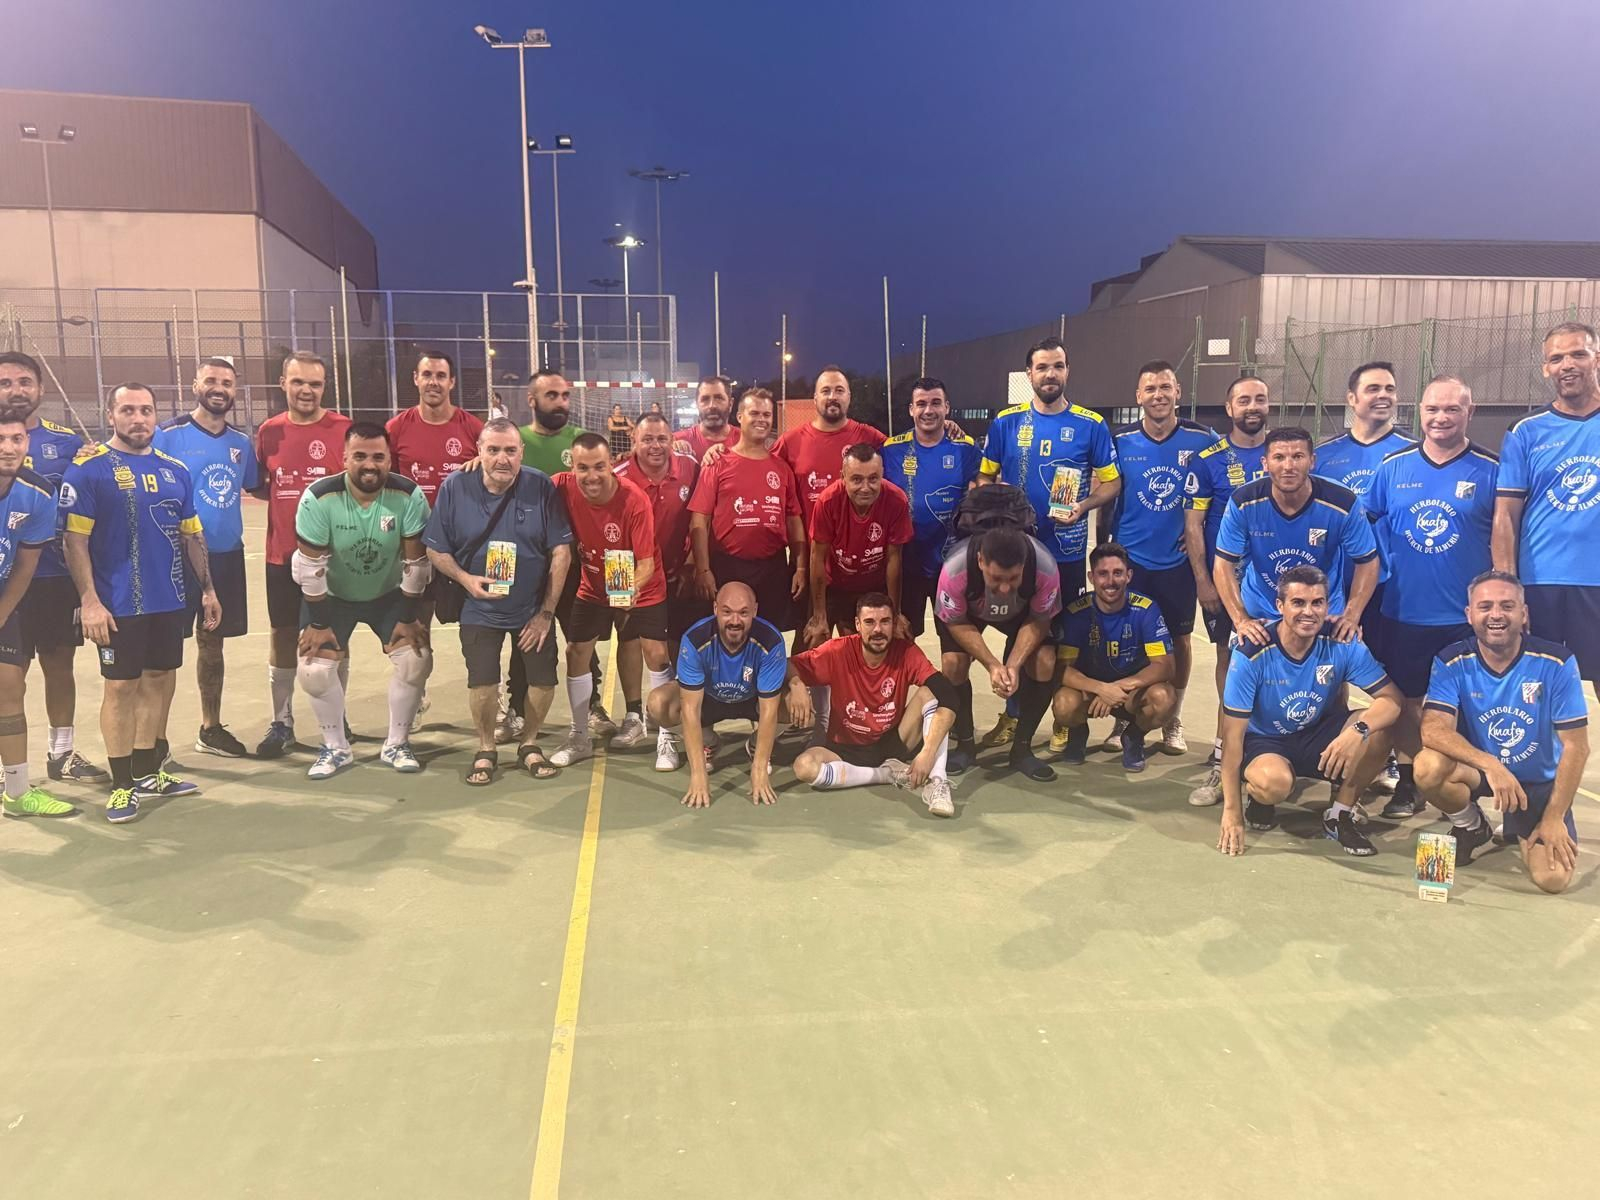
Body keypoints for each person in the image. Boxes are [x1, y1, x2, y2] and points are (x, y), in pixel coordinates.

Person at [62, 383, 219, 823]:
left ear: (156, 416)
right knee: (121, 687)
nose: (138, 419)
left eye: (146, 410)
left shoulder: (175, 470)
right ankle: (122, 784)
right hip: (116, 604)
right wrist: (90, 601)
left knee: (160, 679)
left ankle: (149, 771)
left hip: (169, 600)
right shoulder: (89, 471)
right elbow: (75, 541)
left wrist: (207, 589)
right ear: (111, 415)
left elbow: (192, 534)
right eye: (128, 410)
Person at [1361, 374, 1497, 818]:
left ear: (1469, 413)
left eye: (1452, 409)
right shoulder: (1393, 468)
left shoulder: (1491, 470)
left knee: (1468, 708)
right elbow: (1363, 530)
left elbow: (1508, 536)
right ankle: (1409, 777)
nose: (1441, 418)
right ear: (1418, 412)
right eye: (1432, 409)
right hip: (1402, 611)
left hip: (1465, 619)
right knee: (1405, 702)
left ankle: (1463, 782)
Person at [977, 336, 1119, 748]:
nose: (1050, 374)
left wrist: (1083, 506)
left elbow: (1112, 483)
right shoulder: (1006, 422)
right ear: (1029, 375)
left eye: (1057, 366)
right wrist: (996, 511)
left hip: (1067, 553)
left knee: (1061, 636)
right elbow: (985, 477)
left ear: (1067, 371)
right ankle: (1012, 715)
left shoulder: (1090, 424)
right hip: (1017, 553)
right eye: (1042, 367)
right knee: (1015, 634)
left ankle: (1063, 717)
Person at [1415, 571, 1590, 894]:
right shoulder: (1452, 660)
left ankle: (1521, 828)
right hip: (1485, 775)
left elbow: (1577, 748)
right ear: (1470, 615)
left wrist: (1554, 816)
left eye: (1507, 606)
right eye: (1485, 606)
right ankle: (1472, 826)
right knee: (1428, 766)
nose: (1496, 615)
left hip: (1537, 785)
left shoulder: (1557, 662)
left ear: (1523, 613)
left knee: (1552, 880)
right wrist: (1491, 765)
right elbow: (1433, 731)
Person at [1214, 567, 1404, 858]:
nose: (1309, 612)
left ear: (1328, 606)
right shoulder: (1252, 650)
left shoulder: (1341, 640)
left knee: (1382, 726)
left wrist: (1357, 731)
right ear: (1280, 606)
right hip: (1266, 741)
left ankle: (1339, 814)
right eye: (1298, 603)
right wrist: (1231, 813)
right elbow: (1232, 738)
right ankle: (1261, 799)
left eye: (1317, 603)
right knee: (1272, 784)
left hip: (1316, 734)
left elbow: (1392, 700)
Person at [423, 418, 573, 785]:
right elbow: (435, 548)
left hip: (531, 609)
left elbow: (561, 551)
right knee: (482, 682)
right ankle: (486, 747)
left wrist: (546, 612)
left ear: (522, 452)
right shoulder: (455, 486)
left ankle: (530, 743)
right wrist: (465, 579)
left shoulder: (539, 485)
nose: (502, 458)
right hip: (479, 607)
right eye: (493, 450)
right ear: (479, 452)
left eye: (510, 450)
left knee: (543, 681)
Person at [292, 423, 433, 779]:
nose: (369, 465)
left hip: (387, 594)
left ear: (389, 459)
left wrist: (406, 616)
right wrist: (320, 624)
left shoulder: (409, 495)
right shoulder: (319, 497)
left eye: (378, 457)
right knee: (313, 669)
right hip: (334, 596)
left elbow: (416, 565)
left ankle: (397, 743)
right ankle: (335, 748)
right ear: (344, 458)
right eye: (359, 456)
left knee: (416, 659)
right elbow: (310, 570)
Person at [1106, 360, 1225, 755]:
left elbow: (1221, 486)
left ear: (1178, 393)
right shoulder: (1120, 441)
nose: (1158, 395)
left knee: (1179, 640)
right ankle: (1124, 718)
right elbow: (1104, 488)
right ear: (1138, 397)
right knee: (1129, 640)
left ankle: (1172, 717)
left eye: (1165, 388)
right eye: (1150, 389)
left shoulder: (1202, 439)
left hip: (1177, 563)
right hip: (1131, 560)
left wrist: (1201, 539)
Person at [0, 351, 106, 784]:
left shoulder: (67, 443)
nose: (15, 390)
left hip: (56, 576)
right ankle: (11, 768)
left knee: (59, 665)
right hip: (7, 581)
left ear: (41, 389)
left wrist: (94, 459)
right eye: (5, 382)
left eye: (25, 382)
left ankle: (61, 755)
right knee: (9, 679)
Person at [1315, 361, 1416, 797]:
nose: (1383, 395)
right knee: (1332, 674)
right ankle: (1329, 752)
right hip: (1337, 589)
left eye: (1390, 388)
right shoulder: (1325, 456)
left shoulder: (1414, 452)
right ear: (1352, 399)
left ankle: (1400, 768)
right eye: (1372, 388)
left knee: (1398, 684)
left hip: (1392, 591)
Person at [153, 356, 258, 758]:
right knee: (163, 652)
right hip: (174, 559)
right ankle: (155, 740)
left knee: (213, 645)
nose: (219, 388)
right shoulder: (169, 435)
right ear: (195, 384)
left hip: (226, 557)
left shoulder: (240, 444)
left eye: (227, 382)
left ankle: (210, 728)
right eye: (211, 380)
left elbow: (255, 486)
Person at [251, 351, 352, 758]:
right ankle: (282, 722)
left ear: (324, 387)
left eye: (314, 384)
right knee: (282, 635)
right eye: (298, 382)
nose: (306, 390)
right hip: (282, 557)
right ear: (283, 384)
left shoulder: (343, 429)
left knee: (336, 636)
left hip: (334, 558)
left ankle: (338, 716)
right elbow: (262, 486)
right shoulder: (269, 432)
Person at [548, 433, 670, 767]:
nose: (591, 476)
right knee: (576, 651)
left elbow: (645, 562)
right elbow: (525, 483)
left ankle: (658, 732)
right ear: (572, 467)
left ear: (612, 465)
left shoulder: (634, 499)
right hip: (594, 584)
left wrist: (631, 589)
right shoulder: (562, 485)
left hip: (640, 583)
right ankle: (579, 735)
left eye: (599, 466)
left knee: (655, 652)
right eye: (583, 468)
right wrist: (475, 468)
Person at [881, 377, 983, 772]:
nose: (928, 410)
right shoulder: (890, 449)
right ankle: (889, 730)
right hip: (901, 570)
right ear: (910, 410)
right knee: (893, 651)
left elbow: (981, 491)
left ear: (947, 408)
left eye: (935, 403)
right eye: (921, 404)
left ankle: (965, 738)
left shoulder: (964, 449)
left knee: (955, 662)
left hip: (951, 572)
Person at [1494, 322, 1600, 700]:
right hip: (1541, 583)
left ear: (1596, 359)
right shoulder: (1526, 431)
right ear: (1546, 368)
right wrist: (1507, 587)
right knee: (1536, 688)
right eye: (1556, 358)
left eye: (1578, 354)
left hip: (1597, 582)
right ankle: (1538, 761)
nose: (1567, 364)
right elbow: (1505, 514)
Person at [508, 370, 614, 744]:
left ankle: (593, 706)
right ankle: (516, 710)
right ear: (532, 400)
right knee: (525, 637)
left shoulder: (581, 441)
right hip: (527, 561)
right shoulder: (515, 440)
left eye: (566, 395)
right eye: (552, 395)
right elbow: (491, 467)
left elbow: (612, 480)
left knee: (581, 637)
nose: (561, 402)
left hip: (574, 561)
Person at [787, 593, 958, 818]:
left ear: (893, 624)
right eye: (869, 622)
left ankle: (937, 782)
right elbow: (789, 664)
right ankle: (885, 774)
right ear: (857, 625)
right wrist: (796, 683)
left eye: (885, 621)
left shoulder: (906, 652)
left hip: (894, 741)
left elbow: (949, 696)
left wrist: (927, 752)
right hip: (843, 748)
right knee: (804, 767)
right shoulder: (837, 651)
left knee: (931, 693)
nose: (877, 630)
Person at [1183, 374, 1270, 795]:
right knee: (1230, 663)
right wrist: (1203, 581)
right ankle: (1224, 758)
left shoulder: (1285, 455)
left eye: (1260, 399)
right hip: (1228, 587)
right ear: (1229, 408)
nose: (1252, 406)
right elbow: (1194, 525)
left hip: (1279, 590)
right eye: (1243, 400)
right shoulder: (1208, 458)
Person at [1212, 427, 1378, 645]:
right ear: (1265, 463)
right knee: (1244, 670)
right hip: (1261, 612)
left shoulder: (1342, 503)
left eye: (1297, 456)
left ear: (1312, 461)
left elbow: (1368, 561)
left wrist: (1351, 615)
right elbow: (1223, 565)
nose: (1288, 466)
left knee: (1330, 676)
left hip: (1321, 612)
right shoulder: (1243, 501)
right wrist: (1241, 619)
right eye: (1279, 457)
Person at [933, 527, 1064, 781]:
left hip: (1022, 612)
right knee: (953, 664)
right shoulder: (955, 570)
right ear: (980, 561)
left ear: (1024, 565)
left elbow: (1039, 618)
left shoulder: (1045, 568)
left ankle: (1022, 749)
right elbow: (956, 621)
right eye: (996, 578)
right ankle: (965, 744)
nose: (1004, 588)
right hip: (970, 612)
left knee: (1044, 662)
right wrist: (993, 665)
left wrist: (1013, 665)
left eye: (1013, 578)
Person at [0, 406, 76, 817]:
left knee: (10, 689)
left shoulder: (36, 494)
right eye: (0, 440)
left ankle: (15, 792)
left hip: (2, 600)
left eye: (16, 439)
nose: (8, 448)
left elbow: (24, 568)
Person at [648, 582, 788, 805]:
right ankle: (709, 742)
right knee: (658, 704)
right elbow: (690, 709)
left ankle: (755, 746)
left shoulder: (770, 640)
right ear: (715, 610)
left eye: (743, 613)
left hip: (751, 700)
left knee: (797, 705)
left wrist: (759, 771)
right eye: (727, 612)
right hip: (709, 701)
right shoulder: (695, 640)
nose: (735, 621)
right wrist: (698, 775)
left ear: (755, 611)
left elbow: (769, 709)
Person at [613, 412, 700, 757]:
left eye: (662, 439)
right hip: (633, 573)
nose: (655, 446)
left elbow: (701, 515)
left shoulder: (689, 470)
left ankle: (670, 722)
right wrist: (621, 586)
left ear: (672, 440)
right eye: (647, 439)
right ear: (633, 441)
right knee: (631, 640)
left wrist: (693, 562)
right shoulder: (617, 476)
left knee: (670, 650)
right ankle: (634, 715)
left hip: (677, 572)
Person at [1050, 543, 1176, 773]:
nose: (1111, 581)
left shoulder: (1146, 609)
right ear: (1091, 577)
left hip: (1130, 693)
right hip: (1089, 693)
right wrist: (1099, 688)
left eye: (1118, 573)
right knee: (1064, 704)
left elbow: (1165, 666)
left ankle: (1134, 736)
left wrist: (1118, 687)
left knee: (1164, 698)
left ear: (1129, 575)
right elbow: (1062, 669)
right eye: (1103, 574)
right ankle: (1078, 732)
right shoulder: (1076, 613)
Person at [688, 388, 806, 629]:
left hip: (771, 568)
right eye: (754, 413)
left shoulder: (782, 468)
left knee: (769, 636)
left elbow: (794, 522)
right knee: (727, 635)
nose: (761, 419)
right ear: (739, 416)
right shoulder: (717, 463)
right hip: (727, 565)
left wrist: (801, 567)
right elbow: (699, 522)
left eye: (767, 414)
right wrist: (703, 569)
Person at [804, 443, 914, 644]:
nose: (865, 488)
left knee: (885, 642)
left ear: (882, 475)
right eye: (856, 479)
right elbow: (817, 558)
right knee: (812, 641)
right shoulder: (827, 501)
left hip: (873, 585)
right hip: (833, 584)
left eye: (873, 479)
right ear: (842, 477)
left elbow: (894, 559)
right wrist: (819, 615)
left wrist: (895, 613)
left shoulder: (897, 500)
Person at [674, 375, 738, 462]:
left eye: (719, 398)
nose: (712, 405)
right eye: (705, 399)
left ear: (730, 404)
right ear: (697, 404)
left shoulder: (746, 442)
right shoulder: (677, 442)